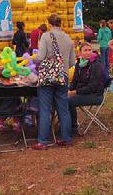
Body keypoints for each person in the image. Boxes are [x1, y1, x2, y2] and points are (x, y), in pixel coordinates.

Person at [32, 14, 75, 150]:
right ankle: (66, 138)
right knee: (63, 108)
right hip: (63, 76)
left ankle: (43, 141)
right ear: (60, 23)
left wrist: (32, 58)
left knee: (45, 109)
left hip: (48, 78)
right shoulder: (68, 38)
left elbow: (41, 56)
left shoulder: (46, 36)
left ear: (49, 24)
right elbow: (72, 61)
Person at [68, 43, 105, 135]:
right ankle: (65, 125)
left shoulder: (96, 64)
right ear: (80, 53)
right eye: (86, 50)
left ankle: (73, 128)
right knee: (61, 97)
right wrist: (69, 90)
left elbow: (93, 86)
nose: (88, 52)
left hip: (95, 94)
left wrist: (75, 92)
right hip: (81, 92)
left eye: (90, 50)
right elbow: (74, 81)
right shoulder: (79, 64)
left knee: (67, 101)